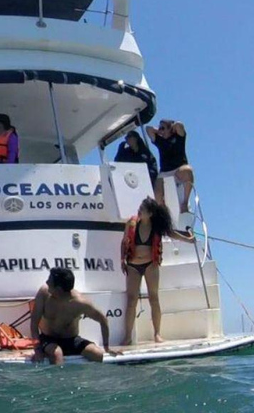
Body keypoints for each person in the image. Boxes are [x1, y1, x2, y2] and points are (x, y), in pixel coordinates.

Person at [120, 197, 195, 345]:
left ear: (151, 213)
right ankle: (127, 336)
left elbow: (171, 233)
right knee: (131, 301)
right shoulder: (131, 223)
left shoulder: (157, 226)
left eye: (143, 209)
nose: (139, 211)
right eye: (140, 208)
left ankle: (157, 334)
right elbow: (124, 242)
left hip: (150, 264)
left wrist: (188, 240)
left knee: (154, 298)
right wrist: (122, 259)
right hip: (133, 265)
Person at [30, 267, 114, 364]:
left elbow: (103, 320)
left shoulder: (80, 303)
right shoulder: (44, 293)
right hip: (48, 339)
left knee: (97, 354)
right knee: (57, 354)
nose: (47, 282)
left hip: (72, 340)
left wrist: (106, 347)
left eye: (50, 280)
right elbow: (34, 323)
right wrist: (37, 349)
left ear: (58, 289)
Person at [146, 119, 194, 212]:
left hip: (179, 168)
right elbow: (148, 129)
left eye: (163, 128)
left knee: (188, 171)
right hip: (165, 171)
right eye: (160, 128)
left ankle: (184, 203)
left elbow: (179, 125)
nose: (161, 130)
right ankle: (163, 212)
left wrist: (171, 127)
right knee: (157, 192)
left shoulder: (179, 137)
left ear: (170, 128)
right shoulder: (159, 141)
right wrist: (159, 130)